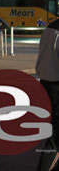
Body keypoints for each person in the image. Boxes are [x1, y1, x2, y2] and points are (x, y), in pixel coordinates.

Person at [35, 17, 59, 170]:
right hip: (57, 86)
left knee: (53, 132)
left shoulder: (50, 27)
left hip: (46, 83)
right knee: (55, 139)